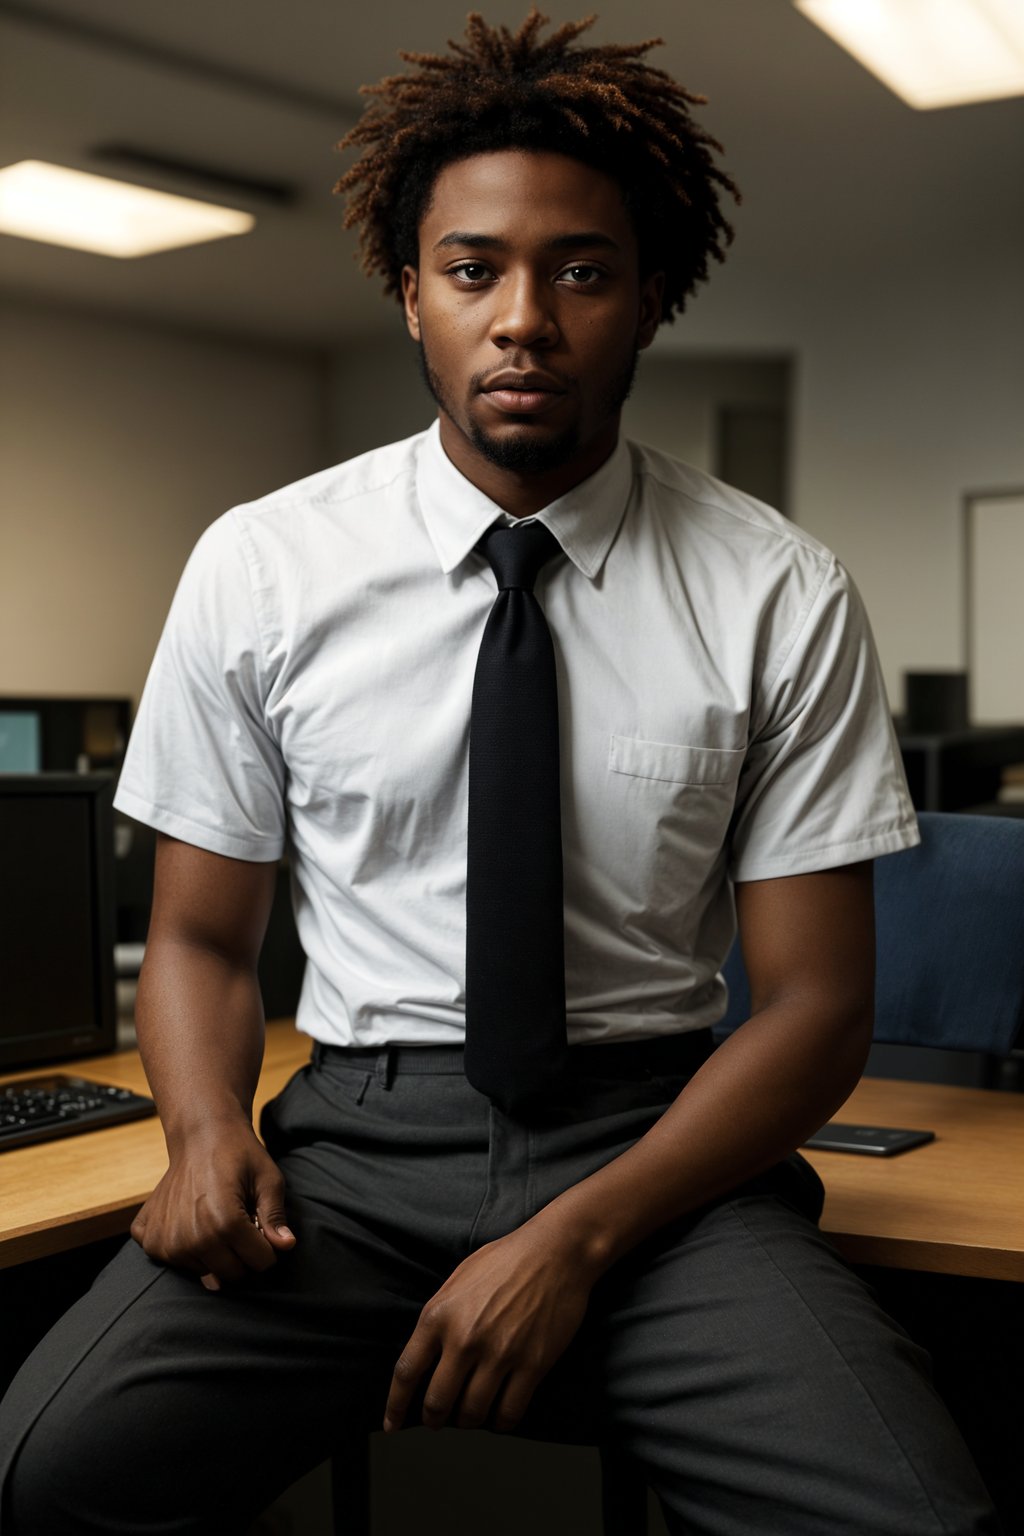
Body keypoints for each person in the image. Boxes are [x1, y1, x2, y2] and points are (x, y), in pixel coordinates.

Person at [0, 10, 1001, 1534]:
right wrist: (207, 1138)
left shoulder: (777, 591)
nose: (523, 316)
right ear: (412, 294)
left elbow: (814, 1010)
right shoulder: (263, 570)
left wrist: (577, 1242)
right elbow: (203, 940)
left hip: (660, 1163)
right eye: (473, 270)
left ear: (650, 298)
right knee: (40, 1474)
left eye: (581, 271)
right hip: (351, 1160)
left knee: (917, 1520)